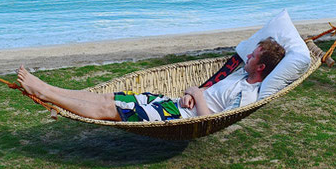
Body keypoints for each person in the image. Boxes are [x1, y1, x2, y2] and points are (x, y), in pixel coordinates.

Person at [15, 37, 286, 122]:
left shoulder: (248, 94)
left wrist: (198, 95)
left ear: (261, 66)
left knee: (108, 111)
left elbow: (213, 120)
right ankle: (49, 90)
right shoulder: (240, 73)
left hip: (177, 118)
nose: (246, 56)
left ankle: (46, 93)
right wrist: (193, 91)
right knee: (109, 98)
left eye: (253, 55)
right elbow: (206, 94)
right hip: (173, 103)